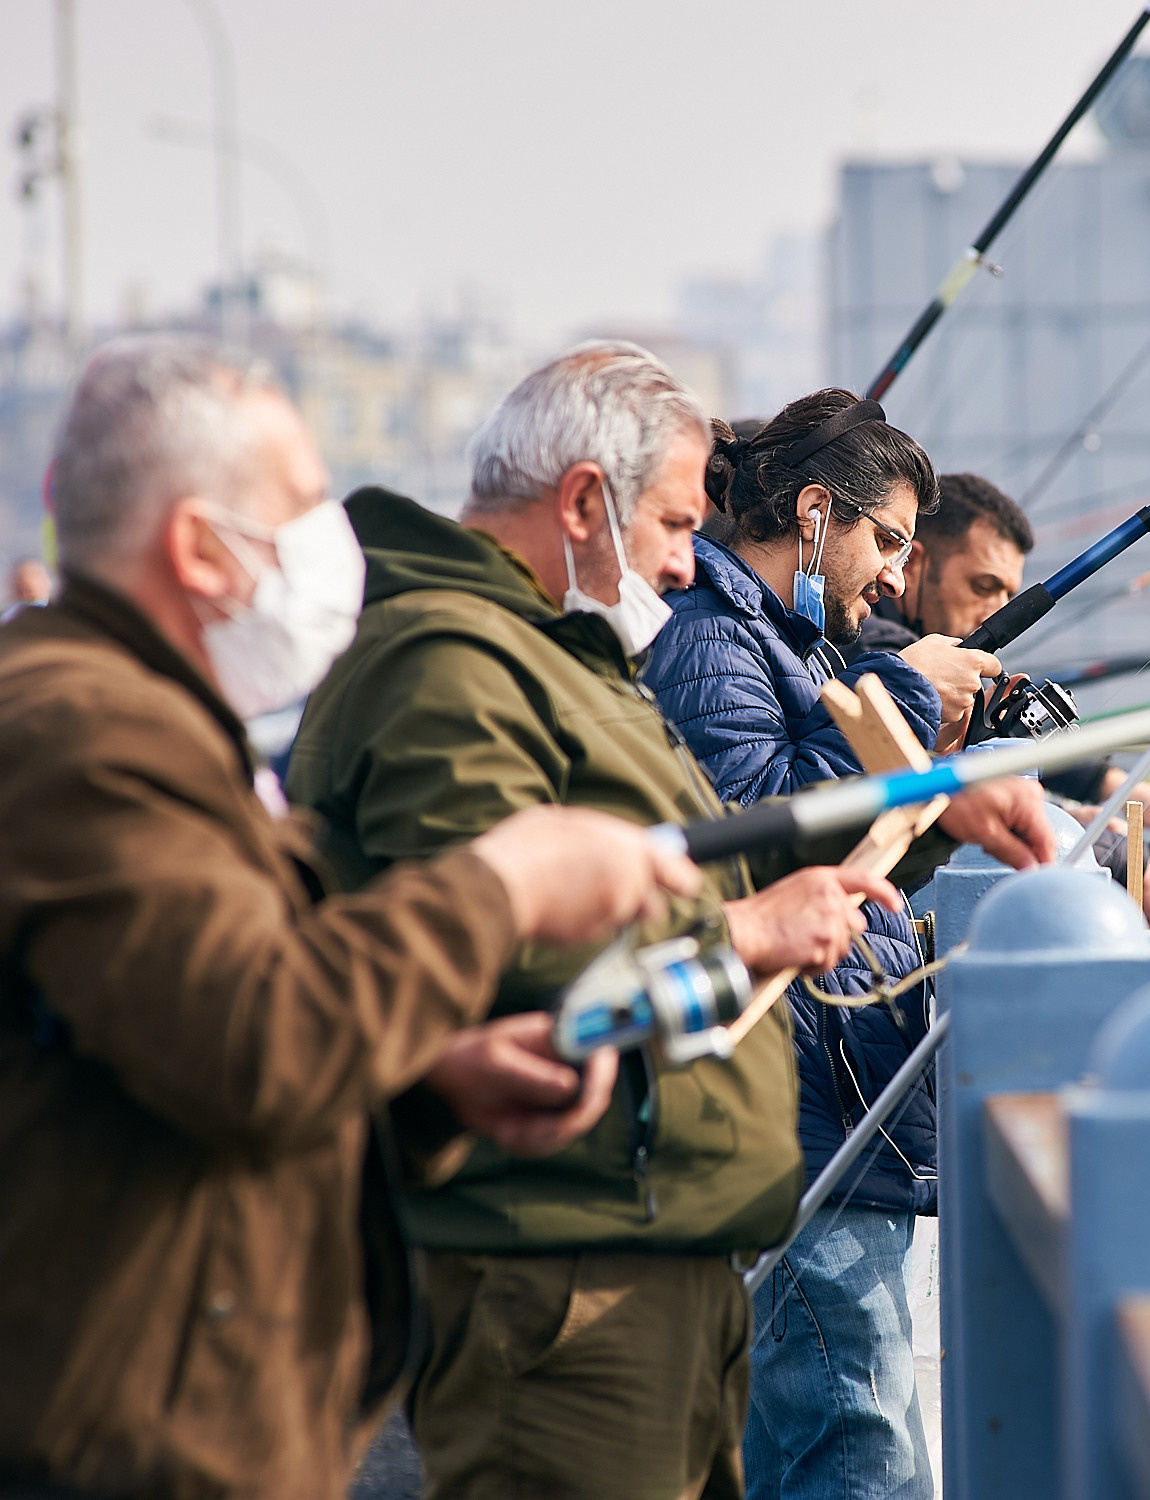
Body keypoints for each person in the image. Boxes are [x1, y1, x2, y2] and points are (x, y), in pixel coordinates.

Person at [0, 336, 696, 1500]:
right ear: (197, 550)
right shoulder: (83, 736)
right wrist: (504, 884)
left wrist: (425, 1081)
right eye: (301, 505)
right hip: (122, 1445)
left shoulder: (161, 726)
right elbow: (253, 1042)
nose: (333, 543)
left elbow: (166, 1044)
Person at [286, 345, 969, 1500]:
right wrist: (748, 937)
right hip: (560, 1276)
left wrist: (905, 836)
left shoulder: (562, 663)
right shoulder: (450, 672)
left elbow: (678, 884)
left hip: (643, 1251)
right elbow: (508, 971)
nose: (681, 557)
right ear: (584, 503)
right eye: (668, 521)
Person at [642, 391, 1056, 1500]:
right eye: (886, 540)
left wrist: (926, 784)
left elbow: (839, 866)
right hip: (797, 1138)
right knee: (854, 1460)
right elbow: (759, 836)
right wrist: (908, 695)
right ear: (815, 514)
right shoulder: (710, 643)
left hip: (830, 1127)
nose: (895, 573)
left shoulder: (786, 645)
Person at [852, 470, 1150, 924]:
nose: (998, 610)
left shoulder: (932, 654)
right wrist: (1113, 847)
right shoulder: (875, 646)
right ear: (917, 563)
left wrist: (1109, 788)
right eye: (983, 587)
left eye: (1009, 594)